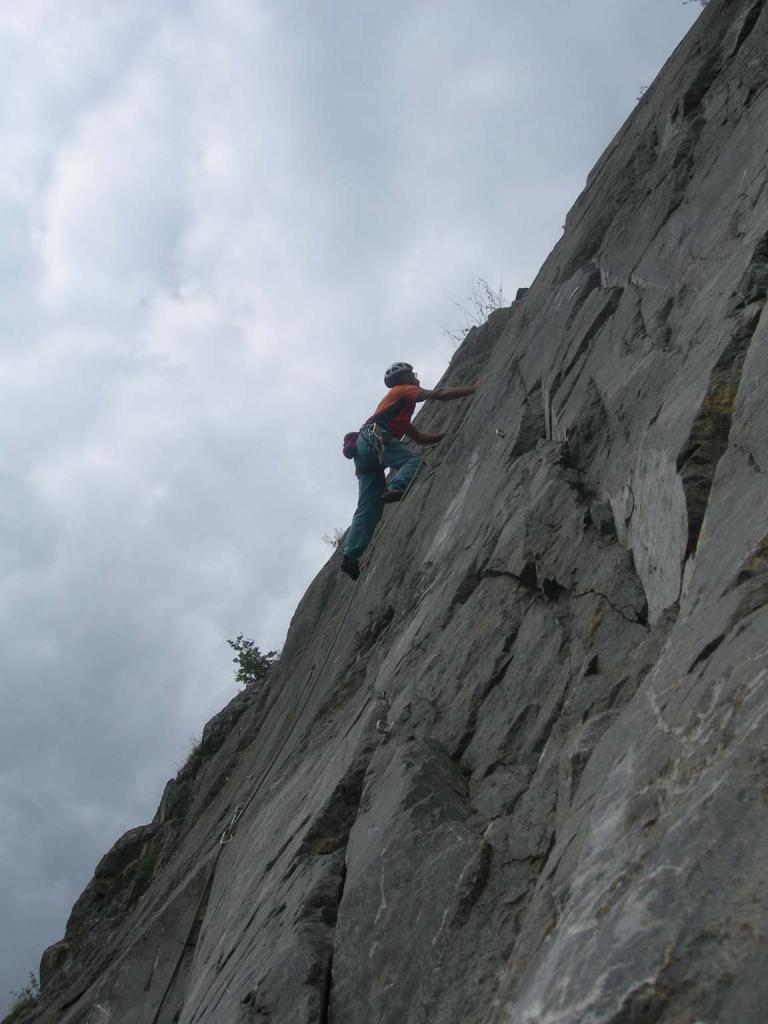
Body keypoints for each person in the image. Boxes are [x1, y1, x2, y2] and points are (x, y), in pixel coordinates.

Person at [341, 362, 478, 580]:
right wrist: (475, 389)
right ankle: (396, 488)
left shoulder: (396, 414)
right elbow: (439, 394)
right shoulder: (402, 390)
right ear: (404, 378)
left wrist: (447, 436)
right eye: (412, 375)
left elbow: (421, 439)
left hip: (364, 450)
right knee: (413, 462)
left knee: (368, 507)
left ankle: (350, 556)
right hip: (374, 437)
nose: (416, 377)